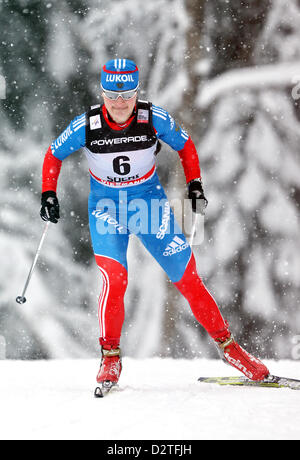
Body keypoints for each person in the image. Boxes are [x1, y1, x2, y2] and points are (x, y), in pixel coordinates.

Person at [40, 58, 269, 387]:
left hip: (148, 205)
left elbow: (185, 145)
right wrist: (49, 194)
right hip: (106, 208)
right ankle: (110, 359)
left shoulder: (152, 118)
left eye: (127, 95)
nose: (120, 104)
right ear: (103, 94)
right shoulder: (86, 126)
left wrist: (195, 185)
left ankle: (231, 349)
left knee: (187, 278)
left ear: (136, 93)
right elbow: (54, 153)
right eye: (112, 96)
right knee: (115, 279)